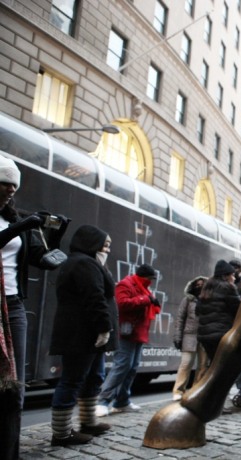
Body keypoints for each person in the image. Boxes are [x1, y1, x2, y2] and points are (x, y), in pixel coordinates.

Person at [0, 155, 70, 458]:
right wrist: (25, 225)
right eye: (4, 184)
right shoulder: (20, 223)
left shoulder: (18, 220)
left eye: (14, 186)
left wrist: (56, 234)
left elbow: (45, 261)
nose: (10, 191)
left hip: (13, 306)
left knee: (14, 387)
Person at [49, 225, 117, 446]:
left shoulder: (89, 263)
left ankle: (88, 422)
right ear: (91, 243)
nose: (106, 250)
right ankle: (61, 433)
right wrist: (104, 327)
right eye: (104, 245)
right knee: (73, 380)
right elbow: (94, 297)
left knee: (93, 377)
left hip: (87, 334)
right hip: (82, 333)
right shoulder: (83, 263)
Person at [96, 264, 160, 416]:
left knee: (131, 368)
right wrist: (146, 299)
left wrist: (150, 300)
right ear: (144, 277)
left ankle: (122, 401)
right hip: (126, 333)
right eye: (150, 279)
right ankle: (103, 401)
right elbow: (121, 303)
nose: (151, 282)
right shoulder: (126, 284)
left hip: (137, 332)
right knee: (122, 365)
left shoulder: (143, 288)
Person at [171, 276, 208, 401]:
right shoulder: (187, 300)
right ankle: (178, 391)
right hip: (189, 336)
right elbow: (180, 318)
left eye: (202, 284)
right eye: (197, 284)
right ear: (193, 286)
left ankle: (196, 390)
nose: (200, 286)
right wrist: (178, 336)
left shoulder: (209, 300)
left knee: (203, 365)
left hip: (204, 336)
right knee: (186, 364)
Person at [196, 260, 241, 361]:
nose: (234, 278)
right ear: (226, 276)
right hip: (221, 335)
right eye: (232, 275)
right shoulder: (228, 287)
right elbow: (239, 309)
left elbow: (197, 310)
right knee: (228, 366)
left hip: (204, 336)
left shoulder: (206, 287)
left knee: (214, 365)